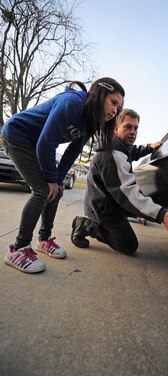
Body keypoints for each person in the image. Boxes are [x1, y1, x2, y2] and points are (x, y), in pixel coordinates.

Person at [1, 77, 125, 273]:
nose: (115, 111)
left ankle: (43, 240)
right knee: (42, 191)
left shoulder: (89, 121)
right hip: (17, 135)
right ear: (100, 95)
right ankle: (18, 249)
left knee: (56, 192)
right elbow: (46, 143)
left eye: (119, 108)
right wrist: (50, 179)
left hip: (35, 143)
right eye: (113, 103)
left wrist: (58, 181)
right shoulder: (72, 103)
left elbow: (71, 153)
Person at [71, 108, 168, 255]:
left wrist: (148, 148)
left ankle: (118, 219)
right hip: (102, 210)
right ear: (116, 129)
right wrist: (160, 214)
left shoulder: (119, 147)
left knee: (139, 209)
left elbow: (132, 152)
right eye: (128, 127)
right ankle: (86, 225)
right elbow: (127, 192)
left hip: (109, 201)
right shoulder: (111, 155)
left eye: (135, 128)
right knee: (128, 245)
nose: (133, 132)